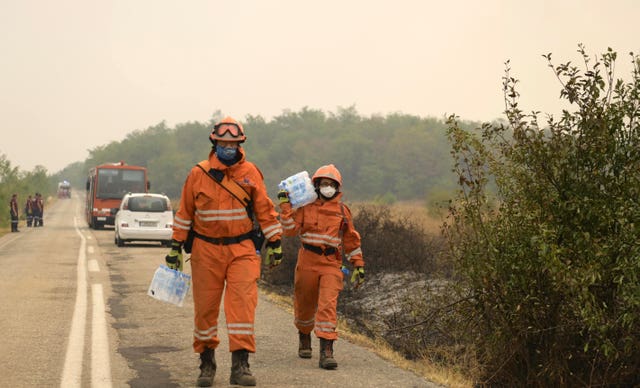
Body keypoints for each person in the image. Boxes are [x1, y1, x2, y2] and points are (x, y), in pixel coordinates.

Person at [164, 116, 283, 387]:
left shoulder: (251, 173)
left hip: (241, 249)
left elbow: (265, 209)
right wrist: (174, 247)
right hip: (205, 250)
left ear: (240, 144)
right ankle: (207, 364)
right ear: (214, 143)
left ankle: (240, 366)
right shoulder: (198, 174)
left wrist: (275, 242)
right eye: (222, 143)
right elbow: (184, 213)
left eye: (232, 143)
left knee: (242, 307)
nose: (227, 147)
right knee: (205, 310)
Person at [277, 164, 365, 369]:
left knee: (328, 305)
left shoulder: (343, 211)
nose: (328, 187)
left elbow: (351, 240)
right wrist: (285, 207)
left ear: (337, 187)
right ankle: (304, 335)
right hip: (307, 259)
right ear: (316, 186)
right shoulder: (304, 208)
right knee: (305, 303)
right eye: (324, 183)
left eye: (331, 184)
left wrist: (358, 265)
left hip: (331, 263)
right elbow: (289, 231)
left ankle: (327, 350)